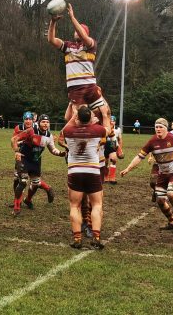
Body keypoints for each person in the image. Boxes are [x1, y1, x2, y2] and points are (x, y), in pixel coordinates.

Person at [47, 3, 112, 132]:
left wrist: (72, 18)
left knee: (106, 112)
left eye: (79, 30)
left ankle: (108, 137)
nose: (76, 32)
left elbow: (84, 36)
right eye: (75, 30)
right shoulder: (68, 46)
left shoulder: (90, 45)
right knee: (77, 118)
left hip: (90, 85)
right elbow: (51, 40)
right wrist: (53, 22)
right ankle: (68, 137)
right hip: (76, 88)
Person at [60, 105, 109, 249]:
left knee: (74, 206)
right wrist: (105, 115)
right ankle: (96, 237)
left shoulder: (69, 131)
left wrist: (74, 116)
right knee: (97, 204)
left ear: (77, 118)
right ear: (90, 118)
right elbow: (109, 130)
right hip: (93, 171)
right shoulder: (97, 130)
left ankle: (77, 239)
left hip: (75, 172)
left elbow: (61, 134)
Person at [11, 113, 65, 215]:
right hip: (24, 158)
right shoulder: (31, 131)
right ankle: (16, 206)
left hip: (36, 161)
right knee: (22, 181)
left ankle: (28, 200)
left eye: (47, 122)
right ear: (39, 123)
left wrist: (60, 153)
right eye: (43, 122)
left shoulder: (49, 135)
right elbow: (14, 139)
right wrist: (16, 151)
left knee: (35, 183)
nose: (45, 124)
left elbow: (52, 149)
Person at [103, 116, 124, 184]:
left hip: (113, 144)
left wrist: (120, 149)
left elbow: (120, 139)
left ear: (115, 122)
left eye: (113, 121)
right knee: (105, 162)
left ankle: (112, 177)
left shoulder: (118, 129)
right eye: (111, 121)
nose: (112, 122)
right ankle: (105, 176)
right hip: (105, 144)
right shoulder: (105, 128)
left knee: (114, 160)